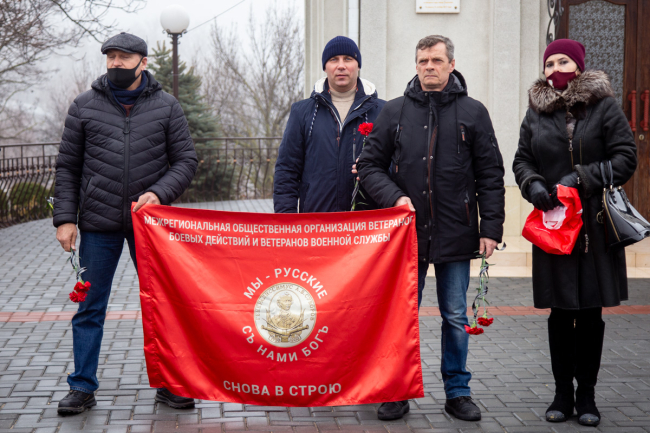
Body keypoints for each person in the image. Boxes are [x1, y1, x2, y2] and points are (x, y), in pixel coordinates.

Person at [357, 35, 505, 421]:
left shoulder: (473, 112)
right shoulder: (395, 111)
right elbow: (369, 166)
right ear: (416, 65)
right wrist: (395, 198)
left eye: (437, 60)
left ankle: (458, 392)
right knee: (400, 316)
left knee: (454, 316)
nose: (429, 67)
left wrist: (491, 227)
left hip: (457, 232)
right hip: (406, 236)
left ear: (451, 64)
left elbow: (491, 174)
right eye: (423, 60)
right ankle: (396, 389)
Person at [53, 32, 199, 415]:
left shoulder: (167, 107)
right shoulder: (84, 106)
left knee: (162, 305)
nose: (116, 63)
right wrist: (65, 219)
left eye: (124, 57)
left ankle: (169, 383)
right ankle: (81, 387)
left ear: (143, 62)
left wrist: (159, 192)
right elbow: (67, 167)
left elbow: (186, 160)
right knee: (90, 307)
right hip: (97, 226)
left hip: (149, 226)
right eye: (111, 57)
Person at [512, 39, 637, 427]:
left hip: (595, 229)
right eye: (549, 63)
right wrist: (532, 184)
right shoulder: (536, 112)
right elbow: (522, 160)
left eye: (563, 61)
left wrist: (580, 177)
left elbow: (625, 158)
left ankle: (587, 396)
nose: (555, 69)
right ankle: (562, 393)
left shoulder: (604, 107)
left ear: (579, 67)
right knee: (560, 314)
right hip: (554, 228)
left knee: (590, 315)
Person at [274, 36, 385, 213]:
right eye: (334, 59)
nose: (341, 66)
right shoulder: (302, 112)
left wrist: (374, 169)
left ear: (358, 65)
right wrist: (286, 219)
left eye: (348, 59)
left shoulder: (382, 111)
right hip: (316, 221)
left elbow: (396, 168)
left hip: (367, 222)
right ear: (325, 67)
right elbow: (287, 170)